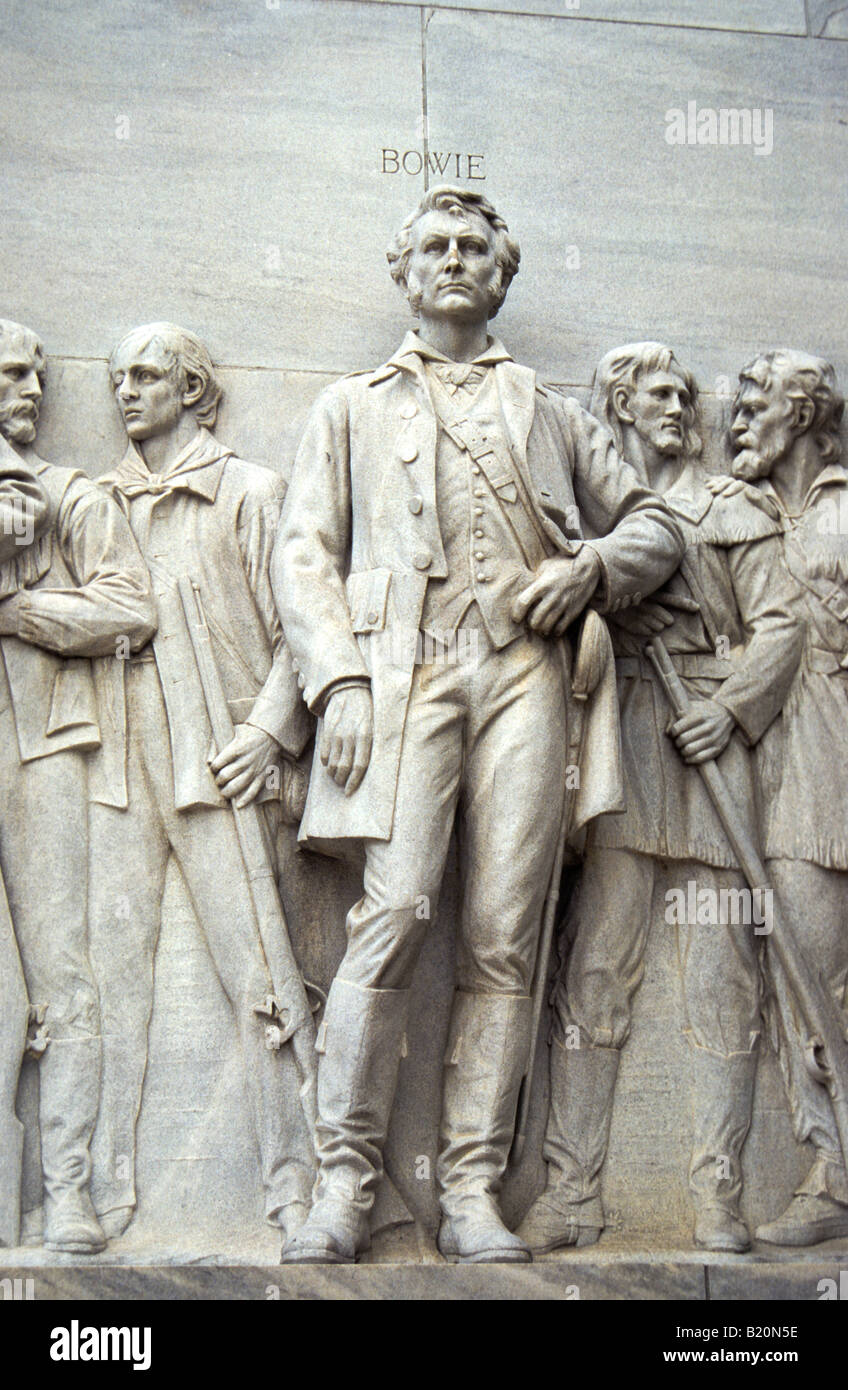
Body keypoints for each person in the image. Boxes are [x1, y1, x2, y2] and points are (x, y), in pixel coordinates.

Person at [273, 188, 684, 1264]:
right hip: (402, 675)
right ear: (401, 270)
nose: (453, 261)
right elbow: (303, 554)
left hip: (521, 678)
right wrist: (338, 685)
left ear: (500, 277)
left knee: (505, 939)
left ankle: (467, 1190)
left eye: (472, 249)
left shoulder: (543, 408)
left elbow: (653, 526)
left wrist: (589, 568)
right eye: (433, 247)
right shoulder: (348, 407)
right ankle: (345, 1186)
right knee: (393, 913)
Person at [518, 342, 802, 1255]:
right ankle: (572, 1192)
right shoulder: (585, 526)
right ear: (618, 408)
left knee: (723, 980)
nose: (680, 407)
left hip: (711, 752)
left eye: (687, 393)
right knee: (596, 966)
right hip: (624, 742)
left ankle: (719, 1197)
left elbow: (782, 623)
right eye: (659, 394)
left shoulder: (736, 506)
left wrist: (731, 710)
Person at [88, 322, 314, 1241]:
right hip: (115, 764)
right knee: (110, 976)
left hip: (219, 765)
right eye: (117, 379)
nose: (126, 392)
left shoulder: (249, 493)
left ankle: (298, 1185)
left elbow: (307, 630)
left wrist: (269, 733)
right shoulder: (96, 503)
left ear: (190, 387)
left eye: (147, 375)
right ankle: (99, 1187)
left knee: (262, 974)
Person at [0, 318, 156, 1252]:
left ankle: (66, 1191)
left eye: (38, 375)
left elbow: (132, 606)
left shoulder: (71, 495)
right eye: (12, 374)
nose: (33, 390)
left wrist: (24, 609)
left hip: (44, 746)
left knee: (65, 975)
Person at [721, 350, 848, 1246]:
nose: (736, 420)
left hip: (835, 761)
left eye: (754, 404)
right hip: (786, 774)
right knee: (804, 973)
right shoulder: (745, 517)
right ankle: (834, 1165)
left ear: (802, 415)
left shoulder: (843, 514)